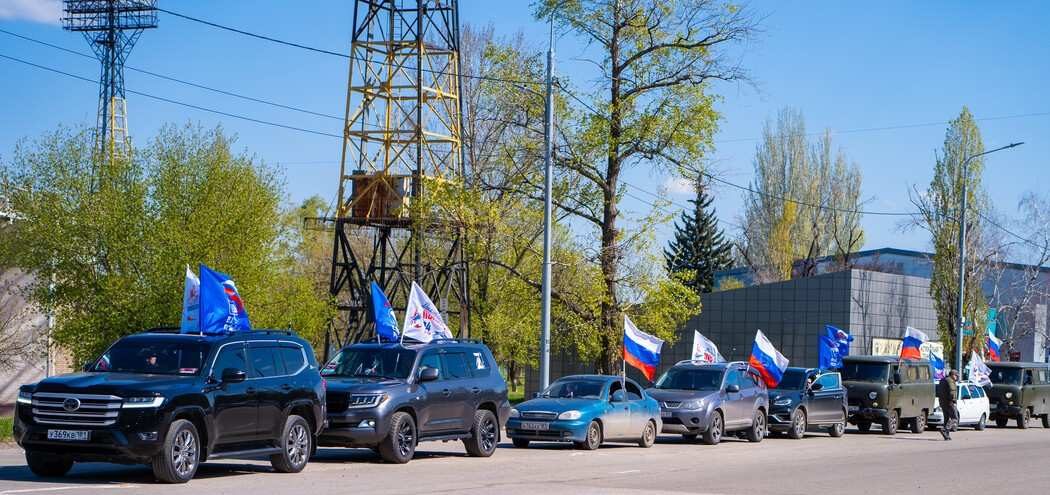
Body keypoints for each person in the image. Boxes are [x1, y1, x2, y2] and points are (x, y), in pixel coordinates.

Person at [936, 369, 960, 440]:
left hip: (943, 402)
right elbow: (952, 391)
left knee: (946, 419)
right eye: (956, 376)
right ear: (953, 375)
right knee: (955, 418)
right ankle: (945, 429)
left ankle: (946, 435)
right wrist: (954, 401)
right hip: (950, 402)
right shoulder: (950, 381)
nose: (957, 377)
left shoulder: (942, 380)